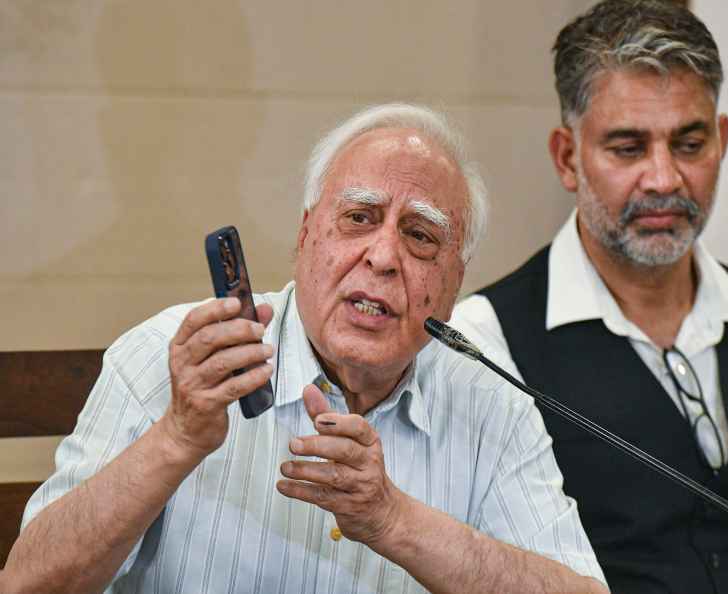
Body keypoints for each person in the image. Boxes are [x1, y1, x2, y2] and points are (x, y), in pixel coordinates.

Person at [0, 104, 608, 594]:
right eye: (359, 218)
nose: (382, 257)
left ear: (454, 283)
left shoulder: (489, 401)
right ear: (305, 234)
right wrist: (178, 437)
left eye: (420, 237)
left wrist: (392, 519)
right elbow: (29, 585)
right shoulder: (168, 358)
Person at [449, 1, 728, 593]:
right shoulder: (484, 342)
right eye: (628, 148)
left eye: (688, 144)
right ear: (567, 158)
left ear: (723, 140)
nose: (663, 179)